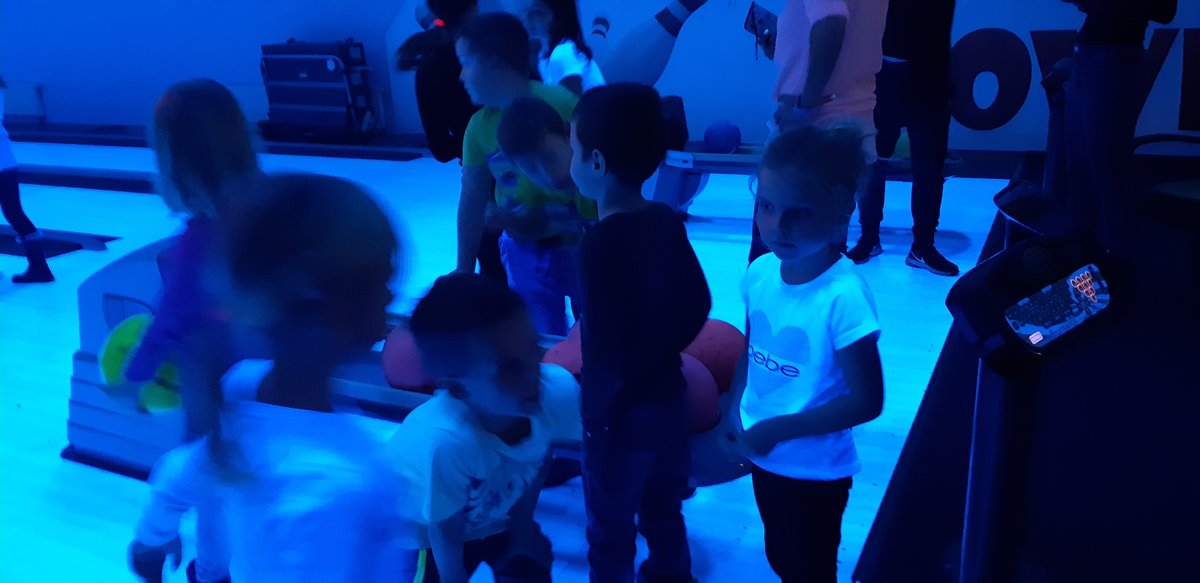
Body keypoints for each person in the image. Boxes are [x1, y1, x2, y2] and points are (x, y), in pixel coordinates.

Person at [127, 173, 409, 583]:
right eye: (383, 280)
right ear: (318, 301)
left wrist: (151, 538)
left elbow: (182, 471)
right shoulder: (335, 483)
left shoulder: (245, 395)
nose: (391, 296)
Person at [727, 125, 884, 583]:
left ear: (841, 213)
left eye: (798, 211)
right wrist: (731, 408)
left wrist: (778, 429)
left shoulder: (844, 297)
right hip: (765, 453)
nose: (778, 225)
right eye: (766, 206)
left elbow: (867, 401)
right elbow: (752, 347)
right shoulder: (761, 272)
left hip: (814, 471)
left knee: (808, 569)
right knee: (780, 554)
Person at [570, 83, 711, 583]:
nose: (570, 160)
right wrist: (662, 349)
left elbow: (602, 345)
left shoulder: (597, 244)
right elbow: (700, 303)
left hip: (619, 415)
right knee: (664, 511)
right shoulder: (666, 220)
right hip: (670, 396)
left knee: (609, 528)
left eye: (574, 149)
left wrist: (594, 412)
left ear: (597, 163)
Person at [393, 273, 582, 583]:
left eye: (533, 349)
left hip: (489, 515)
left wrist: (522, 528)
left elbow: (536, 458)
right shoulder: (447, 440)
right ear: (458, 388)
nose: (533, 374)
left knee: (531, 562)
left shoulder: (555, 391)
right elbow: (444, 529)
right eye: (509, 369)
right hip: (424, 532)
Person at [453, 11, 595, 336]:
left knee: (595, 323)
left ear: (494, 63)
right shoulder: (478, 128)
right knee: (542, 333)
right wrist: (463, 269)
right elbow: (472, 198)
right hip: (524, 248)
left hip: (583, 243)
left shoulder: (562, 103)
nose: (461, 75)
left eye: (465, 62)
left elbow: (601, 166)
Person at [750, 0, 888, 264]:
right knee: (822, 259)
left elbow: (832, 21)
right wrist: (784, 52)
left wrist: (805, 103)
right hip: (851, 117)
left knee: (776, 260)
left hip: (813, 127)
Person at [396, 0, 508, 287]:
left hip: (481, 187)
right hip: (526, 177)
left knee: (495, 277)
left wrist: (470, 147)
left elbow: (441, 149)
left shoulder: (429, 70)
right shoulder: (500, 53)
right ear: (474, 8)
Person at [845, 0, 960, 276]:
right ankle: (870, 237)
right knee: (873, 162)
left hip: (928, 77)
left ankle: (922, 245)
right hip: (885, 76)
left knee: (928, 168)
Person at [0, 74, 54, 284]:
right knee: (14, 213)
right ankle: (40, 267)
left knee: (14, 213)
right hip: (6, 161)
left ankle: (40, 268)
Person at [518, 0, 606, 95]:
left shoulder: (563, 52)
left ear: (558, 16)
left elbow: (573, 102)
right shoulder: (543, 56)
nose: (528, 17)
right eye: (527, 11)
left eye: (538, 12)